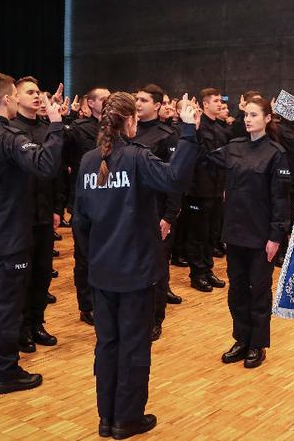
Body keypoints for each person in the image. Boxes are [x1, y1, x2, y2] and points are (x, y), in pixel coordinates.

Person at [72, 92, 201, 439]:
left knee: (107, 344)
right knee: (133, 346)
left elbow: (79, 223)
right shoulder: (136, 158)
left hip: (101, 271)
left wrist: (96, 256)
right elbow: (175, 179)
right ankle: (126, 419)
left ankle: (106, 417)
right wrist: (188, 131)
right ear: (131, 121)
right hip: (135, 273)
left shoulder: (87, 162)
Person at [0, 71, 64, 394]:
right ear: (6, 100)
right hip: (9, 237)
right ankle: (4, 371)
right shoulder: (9, 137)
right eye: (16, 97)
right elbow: (45, 166)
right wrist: (57, 125)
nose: (19, 101)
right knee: (5, 306)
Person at [202, 97, 290, 369]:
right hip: (235, 233)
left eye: (254, 114)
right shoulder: (234, 147)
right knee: (237, 290)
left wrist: (276, 236)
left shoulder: (276, 153)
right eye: (246, 115)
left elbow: (281, 200)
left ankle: (257, 344)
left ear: (267, 119)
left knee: (259, 292)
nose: (248, 119)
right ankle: (241, 338)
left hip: (261, 237)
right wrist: (196, 126)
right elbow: (204, 159)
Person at [9, 77, 69, 352]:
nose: (36, 96)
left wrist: (58, 208)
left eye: (38, 92)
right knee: (23, 276)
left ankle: (37, 323)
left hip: (45, 214)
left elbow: (56, 174)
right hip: (19, 216)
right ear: (15, 97)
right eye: (30, 92)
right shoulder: (11, 131)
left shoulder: (48, 129)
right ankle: (21, 329)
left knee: (43, 274)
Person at [132, 84, 185, 341]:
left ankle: (155, 318)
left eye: (143, 100)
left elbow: (176, 180)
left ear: (157, 105)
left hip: (157, 213)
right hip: (130, 212)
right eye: (136, 99)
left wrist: (169, 217)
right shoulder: (128, 131)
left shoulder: (167, 136)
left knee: (157, 269)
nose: (138, 103)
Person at [69, 87, 111, 325]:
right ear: (90, 103)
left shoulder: (114, 129)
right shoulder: (78, 130)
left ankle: (104, 298)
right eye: (103, 99)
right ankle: (86, 306)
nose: (107, 103)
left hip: (109, 200)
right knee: (84, 256)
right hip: (85, 200)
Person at [182, 87, 228, 292]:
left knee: (212, 234)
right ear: (205, 104)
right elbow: (198, 155)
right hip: (198, 190)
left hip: (217, 189)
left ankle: (208, 270)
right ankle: (197, 274)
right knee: (197, 235)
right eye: (216, 100)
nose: (220, 103)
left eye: (220, 100)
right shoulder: (197, 127)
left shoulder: (220, 128)